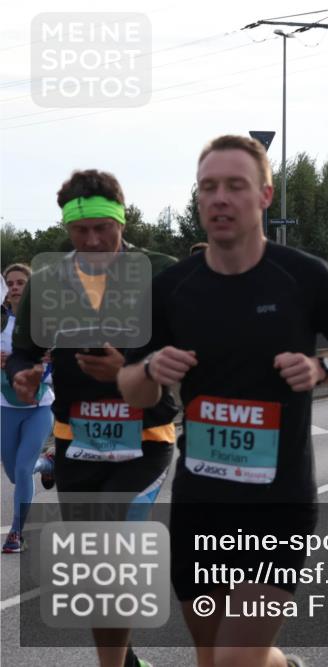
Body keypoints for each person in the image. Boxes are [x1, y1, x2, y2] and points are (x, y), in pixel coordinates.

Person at [118, 135, 328, 667]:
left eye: (235, 186)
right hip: (201, 500)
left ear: (264, 196)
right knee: (213, 657)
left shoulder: (302, 276)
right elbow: (131, 388)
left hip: (278, 501)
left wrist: (323, 367)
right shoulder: (171, 288)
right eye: (208, 187)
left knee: (234, 660)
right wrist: (149, 370)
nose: (220, 198)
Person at [7, 168, 179, 667]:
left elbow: (191, 351)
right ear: (67, 229)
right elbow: (24, 352)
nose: (94, 239)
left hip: (145, 438)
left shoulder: (160, 273)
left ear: (122, 219)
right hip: (76, 441)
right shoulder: (47, 283)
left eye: (104, 226)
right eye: (81, 231)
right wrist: (23, 373)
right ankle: (125, 661)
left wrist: (128, 369)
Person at [1, 264, 55, 554]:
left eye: (22, 282)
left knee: (22, 469)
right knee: (13, 473)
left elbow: (55, 363)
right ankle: (47, 464)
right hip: (5, 407)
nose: (15, 286)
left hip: (39, 406)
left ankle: (16, 533)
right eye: (10, 282)